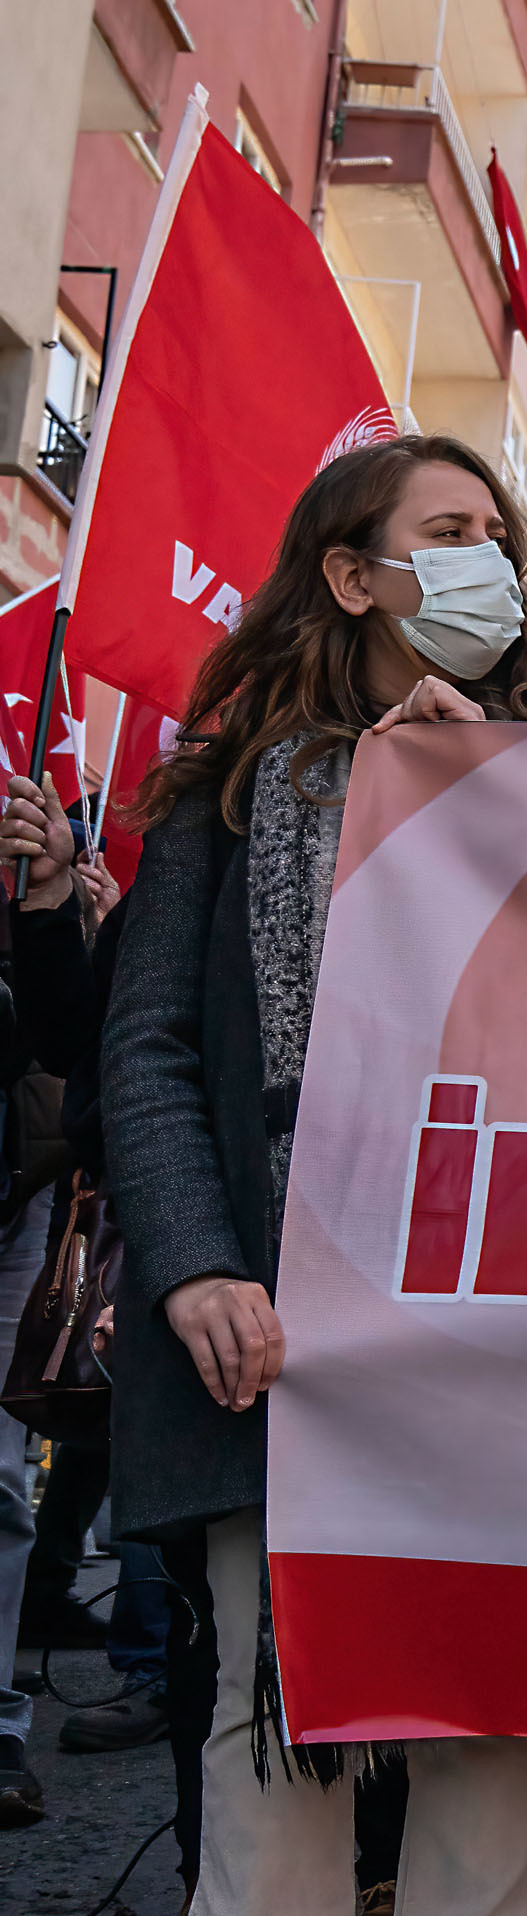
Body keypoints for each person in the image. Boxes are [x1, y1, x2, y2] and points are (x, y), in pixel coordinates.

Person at [106, 434, 527, 1916]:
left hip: (488, 1313)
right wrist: (195, 1269)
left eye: (499, 538)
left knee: (485, 1724)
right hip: (280, 1321)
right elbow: (150, 1051)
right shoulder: (224, 795)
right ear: (352, 574)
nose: (488, 562)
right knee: (269, 1725)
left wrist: (486, 799)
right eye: (448, 535)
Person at [0, 764, 91, 1830]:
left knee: (2, 1473)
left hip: (14, 1193)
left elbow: (70, 1034)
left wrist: (53, 896)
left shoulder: (25, 826)